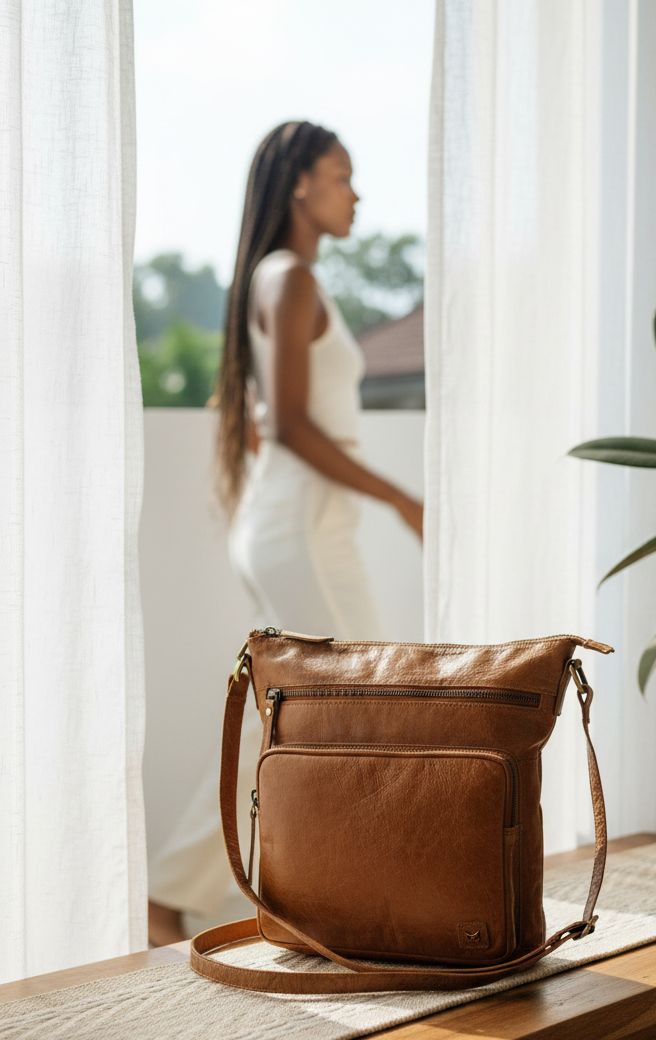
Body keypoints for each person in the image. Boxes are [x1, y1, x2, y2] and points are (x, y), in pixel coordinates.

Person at [147, 120, 424, 947]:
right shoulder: (289, 276)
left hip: (301, 524)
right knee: (355, 706)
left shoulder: (289, 280)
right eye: (343, 176)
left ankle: (173, 893)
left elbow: (282, 414)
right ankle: (335, 899)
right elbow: (300, 426)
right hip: (299, 530)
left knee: (294, 713)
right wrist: (402, 499)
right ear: (301, 183)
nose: (356, 193)